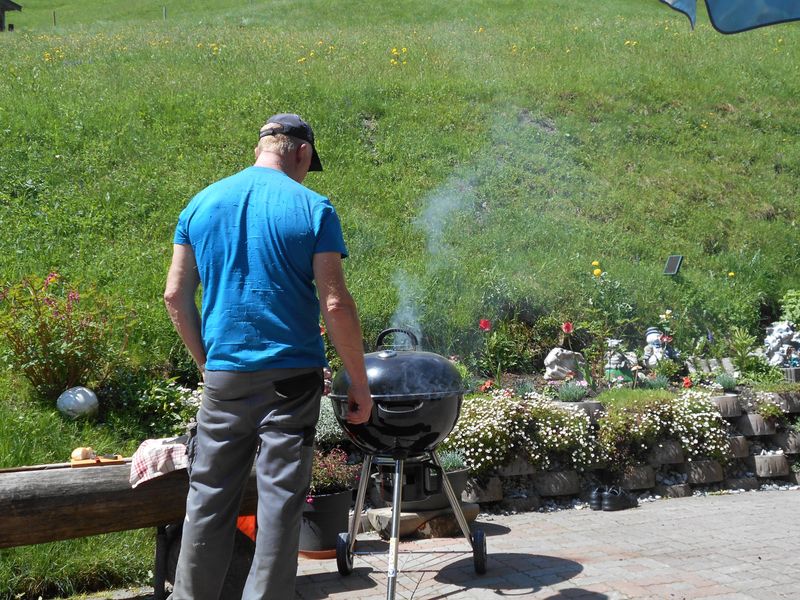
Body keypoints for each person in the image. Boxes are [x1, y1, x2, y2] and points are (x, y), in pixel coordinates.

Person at [163, 113, 372, 599]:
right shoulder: (313, 207)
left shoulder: (200, 203)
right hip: (290, 380)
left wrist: (206, 363)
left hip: (224, 377)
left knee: (209, 499)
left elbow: (175, 296)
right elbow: (335, 303)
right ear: (300, 152)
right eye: (307, 164)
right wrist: (357, 383)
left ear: (262, 147)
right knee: (279, 506)